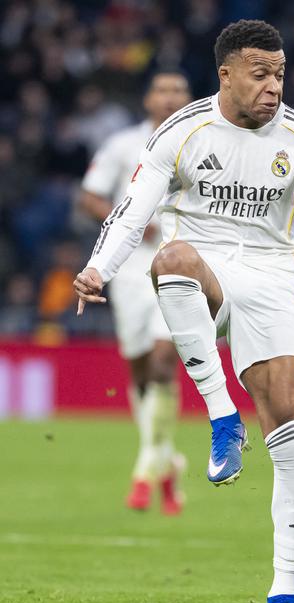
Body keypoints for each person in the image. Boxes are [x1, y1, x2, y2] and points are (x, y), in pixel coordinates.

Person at [74, 20, 294, 603]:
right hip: (208, 269)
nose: (274, 86)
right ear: (226, 74)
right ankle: (223, 415)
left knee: (292, 431)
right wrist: (97, 269)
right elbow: (130, 209)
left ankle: (284, 591)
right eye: (260, 74)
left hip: (275, 281)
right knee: (169, 261)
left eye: (279, 74)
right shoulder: (185, 128)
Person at [79, 70, 192, 515]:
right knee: (142, 374)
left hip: (183, 267)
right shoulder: (123, 145)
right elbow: (89, 197)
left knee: (165, 364)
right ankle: (167, 462)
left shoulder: (205, 142)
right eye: (162, 90)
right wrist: (128, 219)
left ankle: (144, 473)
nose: (170, 97)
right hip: (128, 273)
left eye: (178, 90)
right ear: (148, 99)